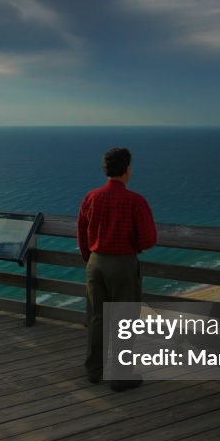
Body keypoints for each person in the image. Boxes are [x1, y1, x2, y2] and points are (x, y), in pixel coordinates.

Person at [77, 147, 157, 391]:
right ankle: (121, 376)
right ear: (126, 169)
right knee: (124, 320)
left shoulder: (91, 197)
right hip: (122, 264)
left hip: (95, 262)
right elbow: (147, 239)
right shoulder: (135, 201)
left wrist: (89, 257)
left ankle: (94, 370)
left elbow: (81, 231)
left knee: (97, 317)